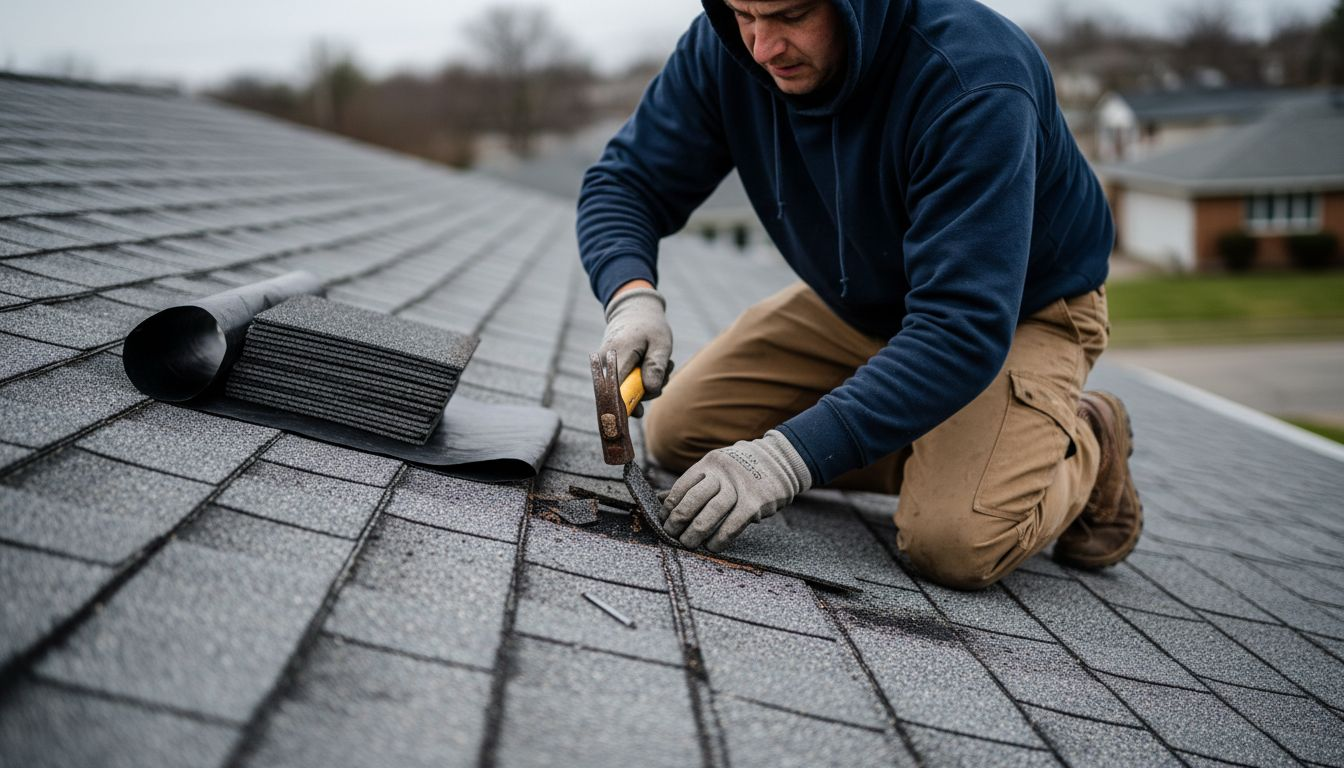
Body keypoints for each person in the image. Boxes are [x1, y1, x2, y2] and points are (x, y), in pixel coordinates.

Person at [578, 0, 1141, 589]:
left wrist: (787, 458)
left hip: (1016, 308)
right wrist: (631, 298)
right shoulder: (722, 49)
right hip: (861, 302)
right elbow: (625, 182)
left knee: (954, 542)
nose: (762, 48)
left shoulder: (974, 77)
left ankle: (1083, 438)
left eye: (791, 15)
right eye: (744, 14)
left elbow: (962, 326)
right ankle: (949, 446)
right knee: (681, 434)